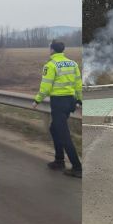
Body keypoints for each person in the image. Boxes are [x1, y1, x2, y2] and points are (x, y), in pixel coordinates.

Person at [32, 40, 82, 178]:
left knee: (64, 135)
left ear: (52, 50)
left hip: (59, 103)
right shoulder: (73, 64)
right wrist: (79, 100)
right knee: (54, 129)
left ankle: (77, 167)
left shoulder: (51, 65)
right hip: (70, 102)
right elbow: (78, 83)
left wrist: (37, 100)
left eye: (50, 48)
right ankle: (59, 160)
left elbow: (46, 86)